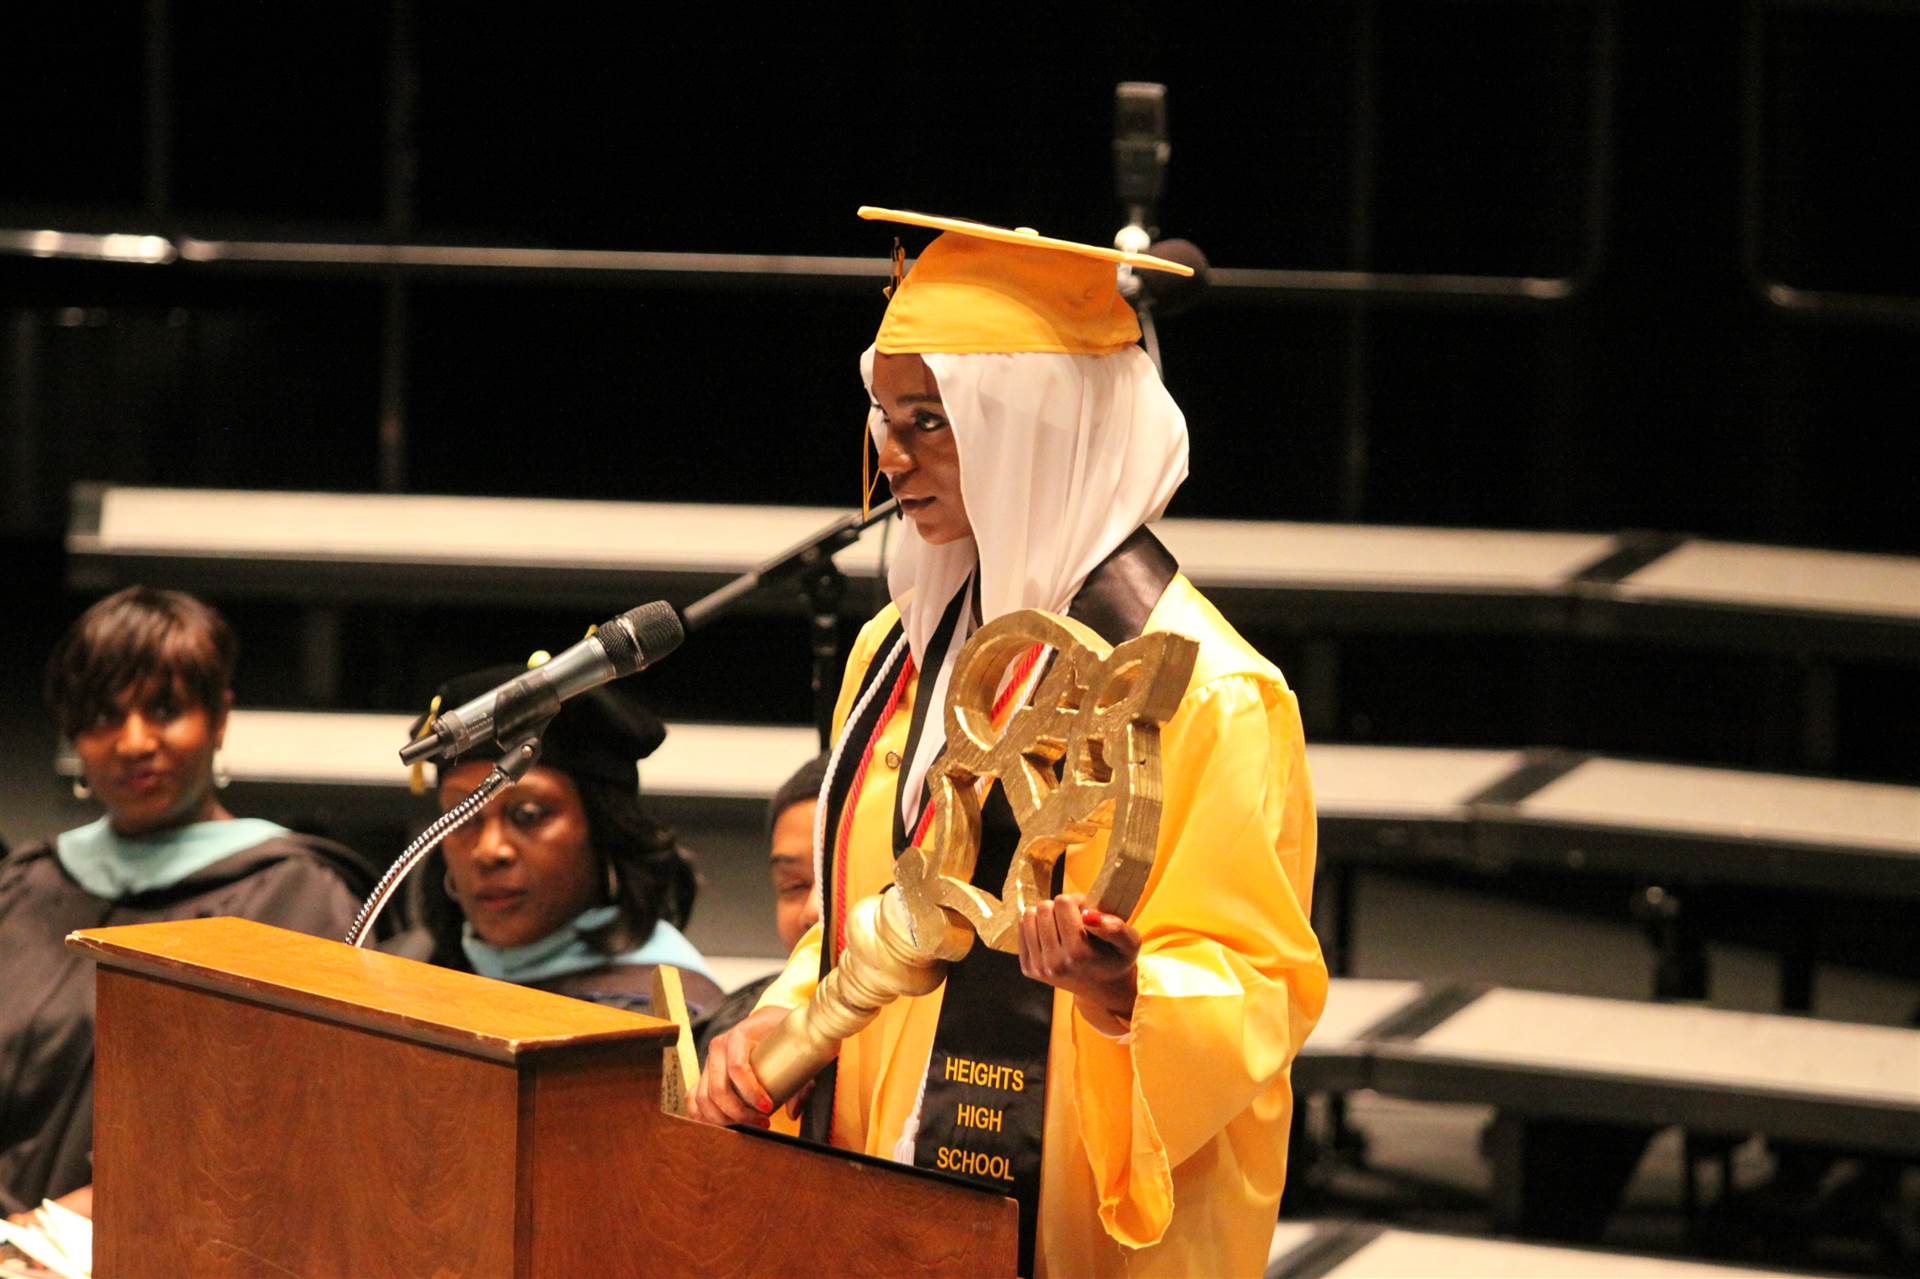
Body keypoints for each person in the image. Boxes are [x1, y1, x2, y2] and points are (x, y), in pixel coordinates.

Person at [693, 210, 1326, 1278]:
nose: (891, 457)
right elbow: (874, 901)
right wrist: (788, 1015)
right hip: (878, 1164)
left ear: (1034, 426)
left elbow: (1257, 982)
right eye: (885, 417)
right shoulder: (899, 643)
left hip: (1071, 1187)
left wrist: (1122, 988)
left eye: (932, 420)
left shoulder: (1210, 692)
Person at [0, 587, 376, 1217]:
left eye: (165, 709)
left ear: (219, 718)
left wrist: (51, 1231)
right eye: (102, 716)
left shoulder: (293, 898)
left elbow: (278, 1134)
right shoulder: (25, 888)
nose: (133, 742)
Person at [385, 663, 724, 1016]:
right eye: (462, 815)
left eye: (528, 815)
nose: (489, 850)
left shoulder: (669, 1012)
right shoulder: (394, 976)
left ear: (603, 829)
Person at [693, 753, 828, 1057]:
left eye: (838, 877)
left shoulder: (942, 1042)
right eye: (794, 885)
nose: (812, 911)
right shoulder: (728, 1031)